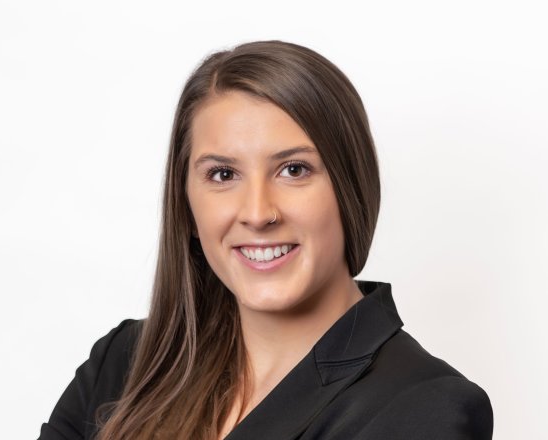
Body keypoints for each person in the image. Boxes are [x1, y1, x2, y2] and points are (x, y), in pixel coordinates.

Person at [38, 40, 493, 440]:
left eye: (294, 170)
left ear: (350, 188)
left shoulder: (422, 408)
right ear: (188, 207)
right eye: (223, 174)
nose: (257, 213)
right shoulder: (125, 364)